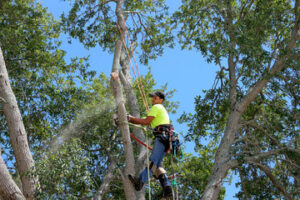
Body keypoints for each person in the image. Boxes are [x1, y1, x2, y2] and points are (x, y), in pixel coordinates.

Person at [127, 91, 173, 198]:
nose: (153, 100)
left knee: (153, 162)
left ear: (161, 100)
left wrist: (130, 118)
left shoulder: (157, 107)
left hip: (162, 137)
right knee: (157, 166)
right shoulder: (160, 110)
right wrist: (133, 119)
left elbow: (146, 121)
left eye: (155, 98)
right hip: (166, 138)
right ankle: (167, 188)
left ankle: (140, 181)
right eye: (153, 98)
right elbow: (147, 121)